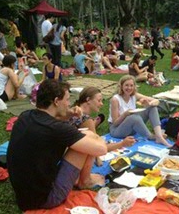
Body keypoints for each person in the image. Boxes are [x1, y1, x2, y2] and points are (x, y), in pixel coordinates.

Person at [7, 80, 108, 211]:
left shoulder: (26, 115)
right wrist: (96, 137)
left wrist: (68, 114)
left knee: (81, 139)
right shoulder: (57, 129)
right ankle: (85, 180)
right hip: (46, 198)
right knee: (86, 141)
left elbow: (50, 123)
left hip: (23, 195)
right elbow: (101, 150)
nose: (69, 104)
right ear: (56, 101)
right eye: (67, 100)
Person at [69, 87, 136, 165]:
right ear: (88, 100)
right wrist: (122, 144)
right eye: (99, 100)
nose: (101, 104)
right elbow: (100, 147)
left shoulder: (73, 111)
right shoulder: (86, 119)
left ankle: (96, 122)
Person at [108, 75, 171, 147]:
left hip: (131, 128)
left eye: (131, 85)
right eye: (126, 85)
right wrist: (125, 114)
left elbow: (156, 100)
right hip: (116, 130)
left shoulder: (134, 95)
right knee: (134, 118)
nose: (129, 88)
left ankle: (158, 136)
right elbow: (114, 123)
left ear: (134, 86)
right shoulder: (115, 99)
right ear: (121, 86)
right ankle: (150, 136)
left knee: (152, 108)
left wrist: (149, 103)